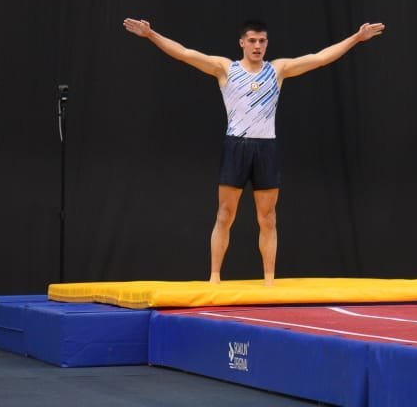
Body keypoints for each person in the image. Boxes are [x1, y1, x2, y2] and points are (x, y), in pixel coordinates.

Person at [122, 17, 386, 285]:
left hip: (266, 147)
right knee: (225, 214)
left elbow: (319, 58)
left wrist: (356, 38)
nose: (257, 45)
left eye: (262, 41)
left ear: (267, 43)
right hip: (236, 145)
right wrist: (151, 34)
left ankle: (269, 280)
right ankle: (214, 277)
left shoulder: (278, 70)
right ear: (242, 43)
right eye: (252, 41)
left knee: (268, 218)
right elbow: (185, 54)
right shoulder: (225, 69)